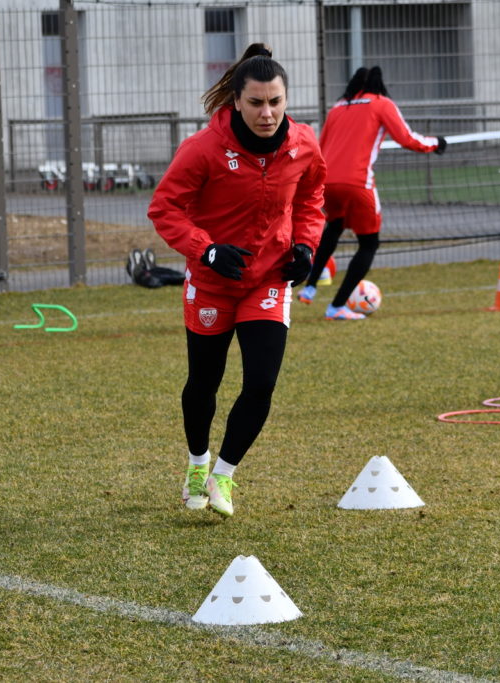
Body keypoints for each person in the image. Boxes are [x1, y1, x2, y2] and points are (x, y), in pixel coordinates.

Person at [147, 44, 326, 517]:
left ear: (286, 99)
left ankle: (222, 476)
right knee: (204, 382)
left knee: (261, 383)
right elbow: (164, 208)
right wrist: (206, 248)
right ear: (236, 101)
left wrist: (306, 247)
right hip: (211, 283)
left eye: (275, 102)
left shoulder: (303, 143)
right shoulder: (203, 148)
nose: (267, 113)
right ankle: (196, 464)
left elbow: (311, 198)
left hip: (268, 281)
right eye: (256, 103)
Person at [298, 66, 446, 320]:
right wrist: (437, 143)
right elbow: (407, 138)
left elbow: (320, 146)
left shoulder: (338, 107)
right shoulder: (381, 103)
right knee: (369, 243)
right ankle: (336, 307)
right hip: (358, 183)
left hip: (327, 182)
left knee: (335, 226)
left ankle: (310, 288)